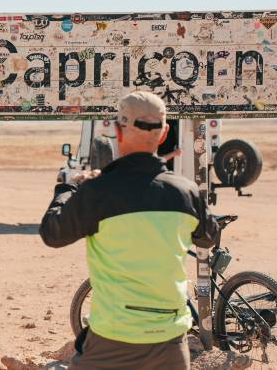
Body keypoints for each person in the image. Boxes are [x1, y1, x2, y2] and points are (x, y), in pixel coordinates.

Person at [39, 91, 218, 370]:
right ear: (163, 134)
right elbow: (209, 235)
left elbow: (52, 233)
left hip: (112, 340)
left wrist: (69, 186)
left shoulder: (97, 192)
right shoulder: (186, 192)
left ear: (118, 132)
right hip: (171, 342)